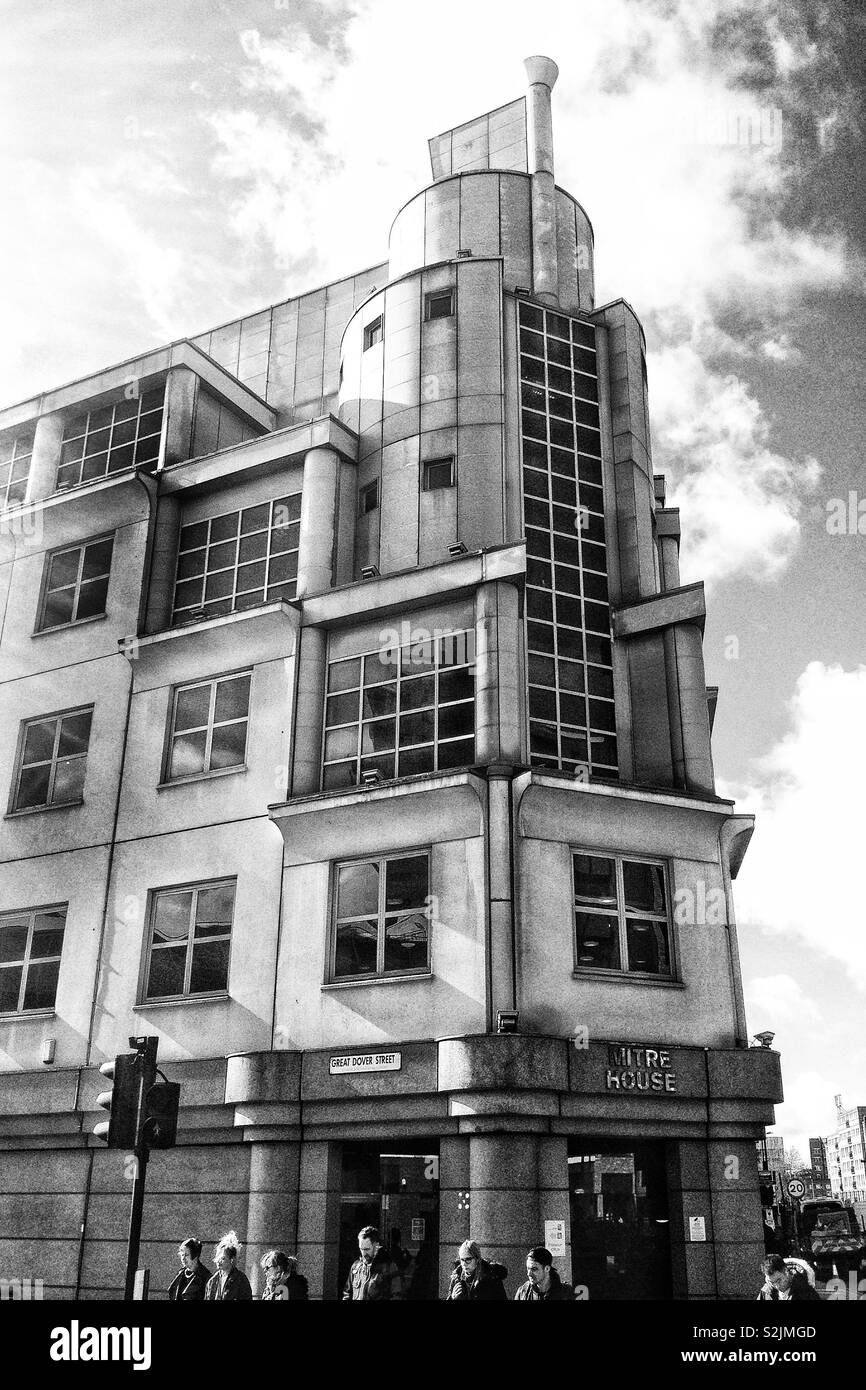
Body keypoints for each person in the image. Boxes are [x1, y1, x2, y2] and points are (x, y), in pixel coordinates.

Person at [343, 1225, 393, 1300]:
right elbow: (347, 1294)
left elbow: (397, 1295)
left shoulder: (389, 1267)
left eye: (367, 1249)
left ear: (376, 1245)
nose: (363, 1253)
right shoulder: (356, 1267)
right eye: (361, 1249)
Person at [205, 1232, 253, 1301]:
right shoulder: (212, 1281)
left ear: (232, 1259)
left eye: (223, 1258)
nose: (219, 1261)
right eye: (218, 1257)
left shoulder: (241, 1280)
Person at [756, 1253, 821, 1301]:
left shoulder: (806, 1293)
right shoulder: (766, 1291)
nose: (776, 1286)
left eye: (778, 1280)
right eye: (771, 1282)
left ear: (785, 1271)